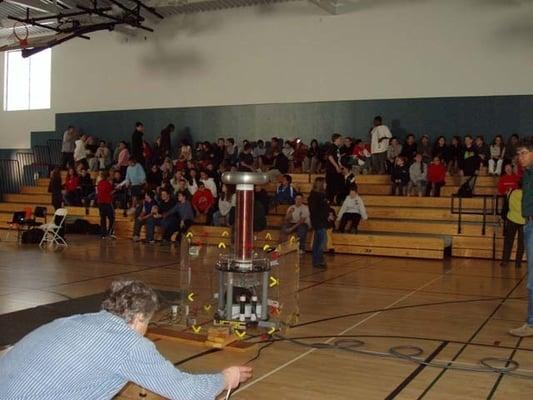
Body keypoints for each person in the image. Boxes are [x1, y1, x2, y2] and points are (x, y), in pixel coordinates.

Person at [0, 279, 251, 399]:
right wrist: (225, 378)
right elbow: (186, 391)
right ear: (140, 317)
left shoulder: (72, 320)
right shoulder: (128, 344)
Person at [509, 138, 533, 337]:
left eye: (523, 153)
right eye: (518, 154)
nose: (520, 157)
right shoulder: (526, 173)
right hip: (529, 223)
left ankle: (531, 323)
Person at [500, 185, 524, 268]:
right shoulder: (527, 194)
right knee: (521, 243)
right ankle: (518, 263)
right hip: (523, 221)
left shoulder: (511, 192)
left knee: (508, 242)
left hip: (511, 219)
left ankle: (505, 261)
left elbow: (506, 203)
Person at [308, 177, 329, 269]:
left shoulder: (321, 195)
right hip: (319, 222)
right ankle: (319, 260)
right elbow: (315, 210)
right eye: (324, 183)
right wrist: (324, 216)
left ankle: (316, 260)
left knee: (318, 241)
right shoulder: (315, 196)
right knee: (321, 242)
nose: (326, 185)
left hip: (321, 221)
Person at [325, 133, 343, 205]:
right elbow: (330, 156)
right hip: (331, 170)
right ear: (336, 139)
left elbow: (337, 159)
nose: (341, 140)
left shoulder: (337, 148)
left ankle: (335, 200)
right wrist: (336, 166)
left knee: (337, 185)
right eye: (340, 139)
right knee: (331, 185)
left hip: (335, 169)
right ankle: (330, 200)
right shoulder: (332, 147)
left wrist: (340, 166)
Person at [97, 170, 115, 239]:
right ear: (107, 177)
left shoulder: (99, 183)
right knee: (111, 218)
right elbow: (110, 193)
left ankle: (103, 234)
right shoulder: (108, 184)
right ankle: (109, 232)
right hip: (107, 203)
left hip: (100, 203)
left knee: (103, 219)